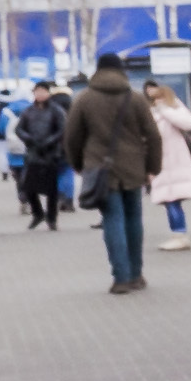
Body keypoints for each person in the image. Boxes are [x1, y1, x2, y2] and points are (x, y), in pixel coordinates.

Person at [66, 55, 162, 291]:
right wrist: (152, 168)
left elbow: (71, 137)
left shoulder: (84, 99)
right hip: (133, 167)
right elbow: (153, 136)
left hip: (99, 168)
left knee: (112, 220)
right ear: (121, 72)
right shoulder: (136, 99)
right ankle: (136, 275)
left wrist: (79, 164)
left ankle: (121, 278)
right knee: (133, 219)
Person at [146, 75, 191, 241]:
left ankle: (179, 234)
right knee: (169, 202)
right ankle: (178, 234)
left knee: (172, 201)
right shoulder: (150, 114)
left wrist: (165, 110)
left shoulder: (174, 109)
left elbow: (188, 124)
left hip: (176, 163)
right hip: (160, 164)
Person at [14, 79, 72, 228]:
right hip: (33, 152)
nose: (40, 94)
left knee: (51, 188)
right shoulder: (28, 111)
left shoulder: (56, 110)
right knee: (28, 186)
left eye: (43, 91)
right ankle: (38, 213)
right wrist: (29, 139)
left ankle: (52, 218)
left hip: (51, 153)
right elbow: (19, 129)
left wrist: (49, 141)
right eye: (37, 91)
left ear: (48, 93)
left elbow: (62, 129)